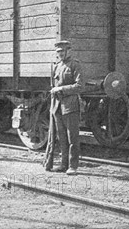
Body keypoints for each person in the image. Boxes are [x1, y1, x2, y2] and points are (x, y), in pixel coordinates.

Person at [45, 40, 84, 175]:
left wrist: (61, 88)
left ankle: (73, 166)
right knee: (61, 137)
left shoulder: (75, 65)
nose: (60, 54)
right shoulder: (56, 66)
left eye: (62, 51)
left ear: (69, 51)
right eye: (58, 52)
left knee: (72, 137)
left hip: (70, 106)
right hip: (57, 107)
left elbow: (80, 86)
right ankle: (63, 164)